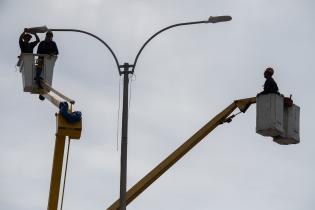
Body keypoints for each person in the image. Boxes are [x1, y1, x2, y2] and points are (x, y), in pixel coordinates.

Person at [36, 31, 59, 100]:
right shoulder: (42, 43)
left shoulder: (53, 43)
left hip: (48, 61)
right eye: (48, 36)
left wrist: (51, 54)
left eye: (50, 36)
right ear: (46, 36)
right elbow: (38, 52)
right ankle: (38, 79)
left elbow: (56, 52)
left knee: (47, 73)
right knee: (39, 71)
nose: (49, 37)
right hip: (41, 59)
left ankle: (41, 83)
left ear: (51, 37)